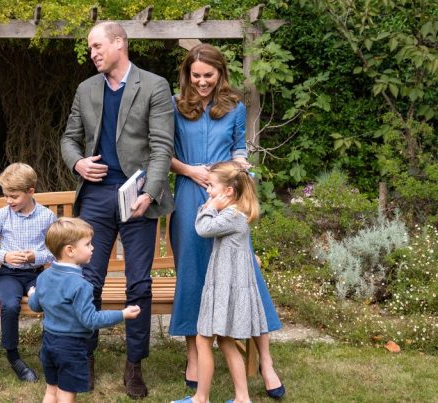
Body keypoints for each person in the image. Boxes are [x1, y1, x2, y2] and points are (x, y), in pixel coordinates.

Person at [60, 21, 174, 398]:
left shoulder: (154, 86)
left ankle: (134, 365)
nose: (92, 53)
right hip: (95, 198)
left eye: (97, 46)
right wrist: (77, 163)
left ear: (119, 43)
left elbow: (161, 147)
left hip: (137, 198)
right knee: (87, 282)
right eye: (90, 47)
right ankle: (85, 357)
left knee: (138, 284)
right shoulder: (86, 89)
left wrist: (152, 192)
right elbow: (68, 138)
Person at [167, 43, 285, 399]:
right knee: (193, 272)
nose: (202, 82)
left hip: (227, 195)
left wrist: (237, 165)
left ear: (220, 74)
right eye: (196, 75)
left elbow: (239, 147)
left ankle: (265, 361)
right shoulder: (174, 106)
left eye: (209, 75)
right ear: (187, 74)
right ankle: (193, 353)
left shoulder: (234, 106)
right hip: (190, 194)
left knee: (244, 272)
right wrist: (191, 170)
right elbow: (164, 153)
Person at [172, 161, 266, 403]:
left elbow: (202, 228)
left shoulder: (232, 215)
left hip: (225, 289)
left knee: (204, 339)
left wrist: (208, 206)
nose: (208, 190)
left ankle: (200, 398)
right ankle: (242, 398)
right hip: (225, 285)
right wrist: (214, 204)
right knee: (225, 341)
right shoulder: (235, 213)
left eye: (212, 186)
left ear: (229, 191)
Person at [28, 217, 141, 403]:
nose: (93, 248)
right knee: (66, 395)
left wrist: (33, 293)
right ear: (70, 251)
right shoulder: (81, 285)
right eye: (88, 244)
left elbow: (35, 306)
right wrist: (122, 314)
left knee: (51, 391)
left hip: (48, 343)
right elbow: (91, 320)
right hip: (71, 347)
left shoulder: (44, 276)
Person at [0, 162, 57, 382]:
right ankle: (14, 357)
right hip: (9, 274)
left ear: (30, 191)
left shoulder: (47, 217)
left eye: (14, 196)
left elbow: (57, 249)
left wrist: (35, 257)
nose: (9, 201)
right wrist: (4, 256)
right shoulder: (3, 215)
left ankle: (48, 352)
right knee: (10, 305)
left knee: (50, 301)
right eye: (6, 196)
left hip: (37, 274)